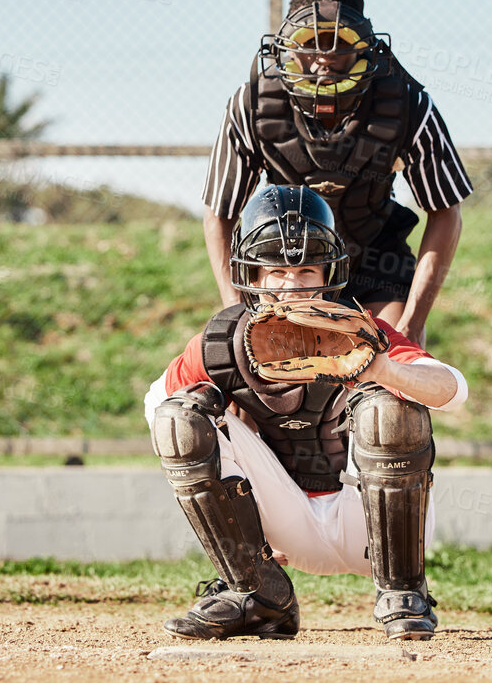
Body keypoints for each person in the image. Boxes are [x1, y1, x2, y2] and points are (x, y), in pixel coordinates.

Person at [144, 184, 469, 641]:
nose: (292, 286)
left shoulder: (365, 332)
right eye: (275, 271)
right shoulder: (223, 346)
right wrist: (226, 414)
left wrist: (381, 367)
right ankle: (257, 593)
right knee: (181, 418)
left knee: (387, 406)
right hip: (286, 528)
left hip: (374, 531)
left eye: (306, 269)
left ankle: (403, 590)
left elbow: (452, 390)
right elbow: (158, 408)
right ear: (251, 278)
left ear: (330, 273)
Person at [202, 0, 471, 344]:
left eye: (337, 45)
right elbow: (220, 214)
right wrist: (234, 307)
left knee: (392, 376)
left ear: (364, 48)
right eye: (310, 44)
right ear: (286, 47)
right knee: (255, 385)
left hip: (375, 265)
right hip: (287, 268)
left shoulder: (406, 103)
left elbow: (446, 211)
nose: (322, 62)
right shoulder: (252, 105)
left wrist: (411, 325)